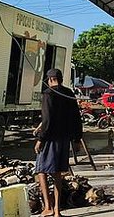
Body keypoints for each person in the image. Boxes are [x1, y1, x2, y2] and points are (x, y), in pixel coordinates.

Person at [34, 68, 83, 217]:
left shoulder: (48, 94)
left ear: (49, 80)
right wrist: (77, 138)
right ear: (60, 79)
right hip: (64, 139)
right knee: (57, 174)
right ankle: (57, 211)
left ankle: (47, 206)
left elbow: (48, 119)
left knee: (41, 170)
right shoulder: (68, 93)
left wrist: (40, 139)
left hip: (50, 139)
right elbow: (76, 117)